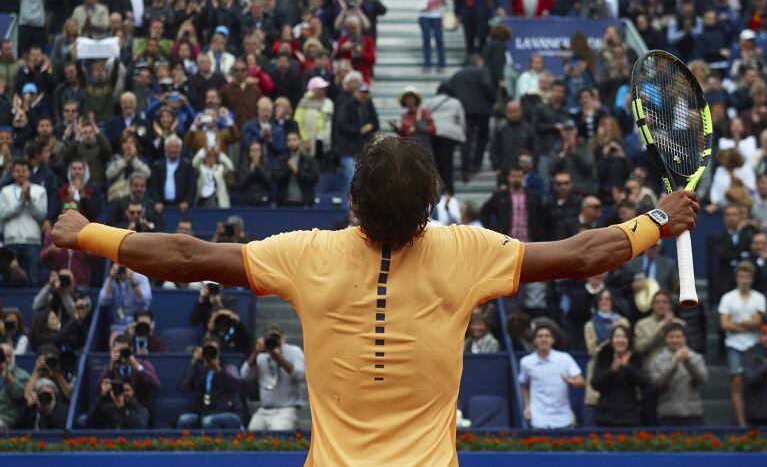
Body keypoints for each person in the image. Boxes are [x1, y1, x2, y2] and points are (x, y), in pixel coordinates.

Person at [51, 134, 699, 465]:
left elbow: (187, 258)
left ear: (353, 200)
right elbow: (586, 254)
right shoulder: (469, 249)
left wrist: (89, 234)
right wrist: (658, 222)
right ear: (429, 205)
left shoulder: (307, 254)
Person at [719, 261, 767, 427]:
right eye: (741, 277)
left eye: (747, 277)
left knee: (754, 384)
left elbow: (759, 322)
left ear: (752, 279)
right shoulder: (727, 298)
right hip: (734, 346)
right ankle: (741, 424)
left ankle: (755, 418)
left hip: (754, 347)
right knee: (737, 385)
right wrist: (747, 324)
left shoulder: (759, 298)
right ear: (737, 278)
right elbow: (724, 324)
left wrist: (736, 325)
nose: (744, 280)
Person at [519, 324, 585, 429]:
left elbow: (581, 381)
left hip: (563, 418)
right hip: (538, 419)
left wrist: (571, 382)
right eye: (540, 336)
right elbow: (524, 384)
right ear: (534, 341)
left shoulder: (565, 358)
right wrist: (527, 406)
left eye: (547, 336)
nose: (543, 339)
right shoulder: (526, 362)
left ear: (553, 340)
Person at [241, 325, 306, 431]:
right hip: (264, 410)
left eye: (277, 337)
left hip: (286, 409)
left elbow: (300, 375)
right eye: (270, 338)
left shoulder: (293, 351)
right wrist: (255, 353)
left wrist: (279, 358)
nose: (274, 340)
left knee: (279, 431)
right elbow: (244, 375)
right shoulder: (261, 354)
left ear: (283, 338)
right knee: (252, 433)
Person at [583, 289, 629, 423]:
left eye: (607, 299)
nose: (604, 301)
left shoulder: (623, 322)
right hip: (598, 367)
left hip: (621, 365)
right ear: (596, 302)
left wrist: (617, 333)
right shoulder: (590, 325)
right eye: (601, 299)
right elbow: (592, 351)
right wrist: (612, 338)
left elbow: (628, 345)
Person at [649, 322, 708, 426]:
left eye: (678, 337)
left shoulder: (696, 357)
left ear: (684, 338)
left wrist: (688, 363)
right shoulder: (657, 360)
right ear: (665, 339)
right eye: (671, 337)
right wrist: (672, 367)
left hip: (692, 413)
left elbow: (703, 379)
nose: (675, 340)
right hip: (668, 413)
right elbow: (656, 384)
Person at [178, 335, 243, 430]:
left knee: (208, 421)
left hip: (228, 412)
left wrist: (218, 369)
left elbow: (235, 386)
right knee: (184, 420)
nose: (210, 353)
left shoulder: (228, 367)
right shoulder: (200, 370)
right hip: (205, 413)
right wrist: (194, 362)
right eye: (207, 350)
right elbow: (183, 387)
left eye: (213, 350)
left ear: (218, 352)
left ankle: (212, 444)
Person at [0, 159, 47, 286]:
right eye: (17, 171)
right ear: (13, 173)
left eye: (24, 171)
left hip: (32, 241)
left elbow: (41, 216)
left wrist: (29, 200)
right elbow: (3, 214)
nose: (21, 174)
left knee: (33, 279)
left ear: (29, 172)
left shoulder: (40, 190)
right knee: (10, 280)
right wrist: (21, 203)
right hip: (11, 241)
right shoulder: (5, 191)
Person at [591, 325, 647, 427]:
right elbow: (595, 384)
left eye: (624, 337)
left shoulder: (635, 356)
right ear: (612, 340)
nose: (620, 340)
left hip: (630, 413)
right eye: (617, 337)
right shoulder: (604, 355)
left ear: (629, 340)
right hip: (606, 413)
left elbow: (645, 383)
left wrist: (627, 367)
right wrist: (612, 370)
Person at [480, 166, 546, 242]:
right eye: (514, 176)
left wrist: (538, 232)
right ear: (509, 177)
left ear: (523, 178)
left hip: (529, 240)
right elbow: (484, 212)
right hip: (506, 240)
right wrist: (491, 231)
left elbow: (542, 216)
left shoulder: (533, 196)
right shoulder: (500, 195)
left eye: (519, 177)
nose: (517, 179)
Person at [98, 263, 152, 342]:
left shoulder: (140, 278)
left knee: (138, 338)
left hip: (138, 322)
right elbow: (102, 301)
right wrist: (110, 279)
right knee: (114, 341)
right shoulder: (111, 280)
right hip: (119, 325)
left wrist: (134, 284)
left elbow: (146, 300)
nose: (121, 270)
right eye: (118, 267)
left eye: (123, 267)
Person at [100, 335, 160, 406]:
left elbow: (156, 385)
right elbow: (100, 389)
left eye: (123, 350)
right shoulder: (111, 368)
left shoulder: (143, 364)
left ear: (131, 350)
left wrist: (137, 366)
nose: (121, 354)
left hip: (139, 407)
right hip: (115, 408)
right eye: (117, 351)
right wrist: (112, 364)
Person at [272, 131, 319, 207]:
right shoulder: (281, 160)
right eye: (289, 140)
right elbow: (276, 177)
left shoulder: (309, 160)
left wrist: (297, 171)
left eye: (294, 140)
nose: (292, 143)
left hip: (305, 203)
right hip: (284, 203)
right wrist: (289, 169)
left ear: (299, 141)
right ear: (286, 143)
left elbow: (314, 179)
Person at [413, 0, 447, 73]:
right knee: (426, 39)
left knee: (439, 39)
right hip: (424, 15)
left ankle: (442, 64)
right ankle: (427, 65)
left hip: (437, 15)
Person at [743, 317, 767, 425]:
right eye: (765, 334)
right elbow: (750, 381)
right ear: (759, 335)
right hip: (758, 416)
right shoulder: (751, 354)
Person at [0, 343, 29, 430]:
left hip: (8, 419)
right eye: (3, 357)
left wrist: (6, 373)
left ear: (13, 357)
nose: (6, 360)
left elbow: (20, 395)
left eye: (9, 356)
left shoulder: (23, 375)